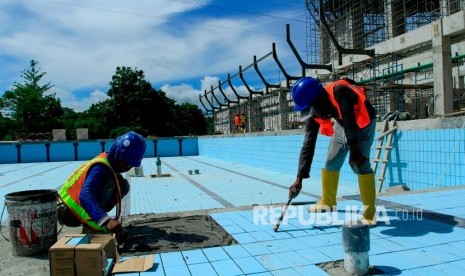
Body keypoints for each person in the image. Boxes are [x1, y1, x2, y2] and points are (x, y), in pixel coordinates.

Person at [288, 77, 377, 225]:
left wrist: (355, 152)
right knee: (331, 160)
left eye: (310, 109)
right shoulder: (314, 112)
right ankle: (328, 202)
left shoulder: (340, 92)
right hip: (343, 123)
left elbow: (350, 121)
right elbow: (308, 144)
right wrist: (299, 178)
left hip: (363, 121)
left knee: (359, 164)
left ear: (318, 99)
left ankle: (370, 213)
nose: (312, 115)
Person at [57, 131, 146, 233]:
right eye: (126, 162)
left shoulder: (109, 161)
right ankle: (92, 224)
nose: (127, 167)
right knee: (111, 183)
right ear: (118, 153)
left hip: (77, 207)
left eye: (130, 165)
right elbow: (85, 195)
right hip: (69, 211)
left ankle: (96, 217)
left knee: (122, 184)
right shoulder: (100, 167)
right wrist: (105, 220)